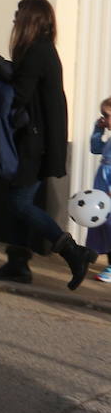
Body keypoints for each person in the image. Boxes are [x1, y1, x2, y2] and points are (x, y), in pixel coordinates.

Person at [0, 0, 98, 290]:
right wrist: (4, 69)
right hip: (37, 141)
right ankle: (17, 264)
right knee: (19, 202)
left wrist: (0, 74)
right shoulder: (41, 51)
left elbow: (19, 95)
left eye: (18, 15)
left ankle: (72, 251)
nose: (14, 20)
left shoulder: (37, 52)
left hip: (34, 143)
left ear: (30, 20)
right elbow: (27, 86)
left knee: (19, 202)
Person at [87, 96, 111, 282]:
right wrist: (97, 130)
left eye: (107, 115)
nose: (104, 119)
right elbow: (96, 148)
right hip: (102, 186)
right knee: (103, 224)